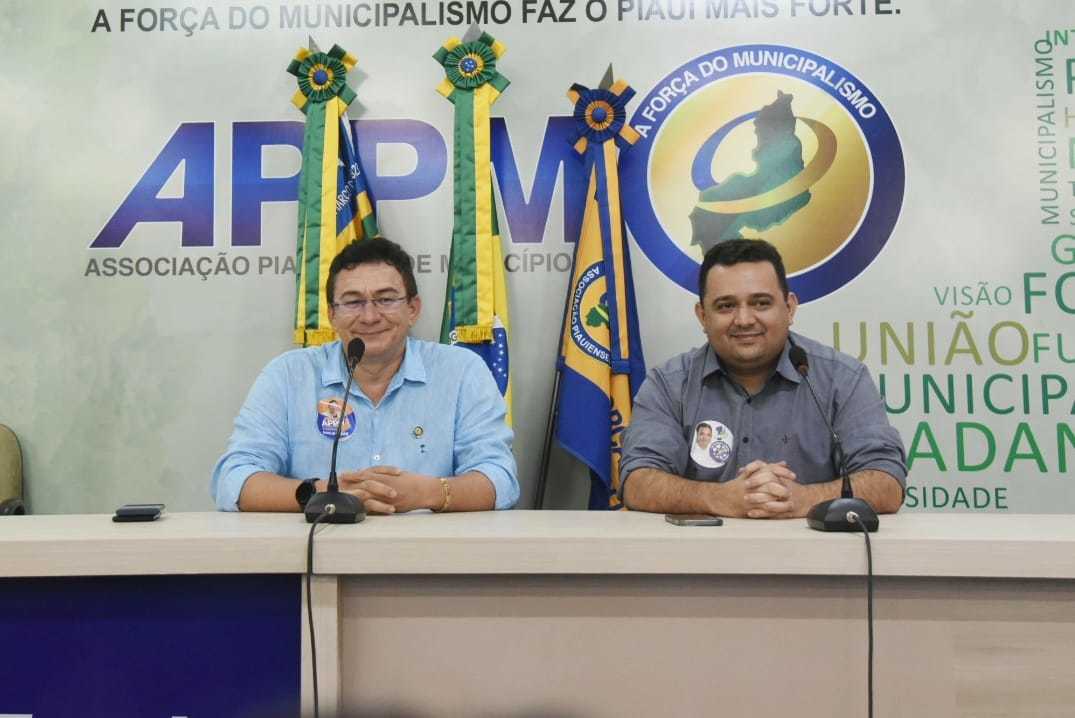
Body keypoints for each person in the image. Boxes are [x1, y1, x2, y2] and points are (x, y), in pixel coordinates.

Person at [211, 238, 519, 514]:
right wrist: (322, 494)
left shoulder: (461, 371)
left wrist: (428, 493)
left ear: (413, 309)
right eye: (353, 302)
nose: (370, 317)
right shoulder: (288, 376)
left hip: (429, 554)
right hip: (319, 551)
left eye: (386, 299)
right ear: (332, 314)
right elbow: (233, 479)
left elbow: (500, 478)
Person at [620, 239, 905, 519]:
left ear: (789, 308)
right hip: (701, 550)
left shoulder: (842, 379)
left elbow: (887, 482)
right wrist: (718, 498)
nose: (744, 319)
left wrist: (804, 500)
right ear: (703, 316)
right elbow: (637, 482)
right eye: (726, 306)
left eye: (761, 303)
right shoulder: (669, 384)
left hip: (812, 550)